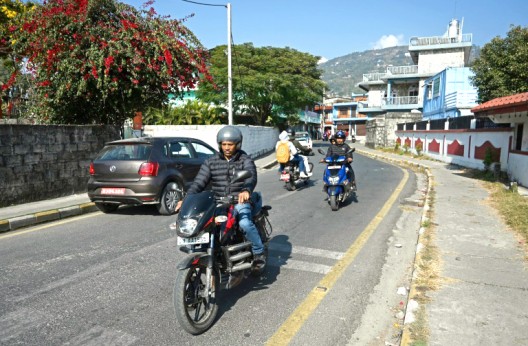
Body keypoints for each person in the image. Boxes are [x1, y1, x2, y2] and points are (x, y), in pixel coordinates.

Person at [175, 126, 265, 267]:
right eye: (224, 144)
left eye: (230, 144)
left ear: (237, 144)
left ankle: (259, 252)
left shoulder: (244, 159)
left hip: (238, 200)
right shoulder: (211, 162)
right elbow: (199, 183)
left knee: (244, 223)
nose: (227, 148)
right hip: (217, 202)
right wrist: (186, 199)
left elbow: (251, 176)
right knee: (204, 224)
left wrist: (246, 190)